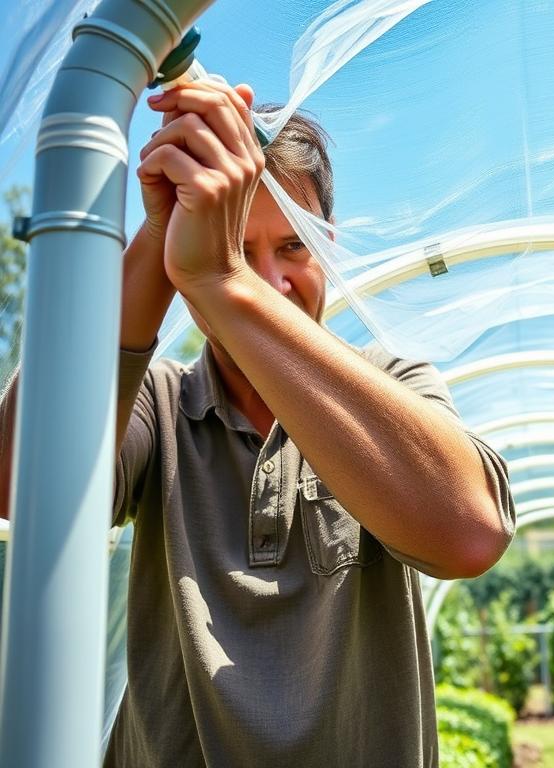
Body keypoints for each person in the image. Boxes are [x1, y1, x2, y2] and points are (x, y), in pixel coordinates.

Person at [1, 80, 515, 767]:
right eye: (235, 247)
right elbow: (17, 485)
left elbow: (469, 534)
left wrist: (223, 277)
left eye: (293, 248)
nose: (267, 281)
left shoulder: (391, 389)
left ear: (327, 245)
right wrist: (160, 231)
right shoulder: (158, 403)